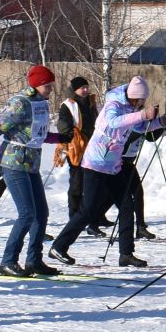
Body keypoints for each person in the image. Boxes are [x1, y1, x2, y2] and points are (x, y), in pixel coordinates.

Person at [47, 76, 166, 268]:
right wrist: (143, 115)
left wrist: (161, 121)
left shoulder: (130, 109)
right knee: (88, 210)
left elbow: (138, 126)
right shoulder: (113, 105)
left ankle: (126, 254)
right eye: (142, 99)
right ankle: (59, 246)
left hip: (113, 165)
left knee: (126, 206)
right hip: (96, 163)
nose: (143, 103)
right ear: (135, 97)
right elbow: (114, 122)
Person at [0, 65, 59, 277]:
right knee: (27, 213)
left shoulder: (42, 103)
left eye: (51, 85)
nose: (51, 89)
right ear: (36, 84)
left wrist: (60, 137)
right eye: (48, 85)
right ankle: (8, 261)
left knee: (41, 214)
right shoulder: (20, 103)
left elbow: (38, 133)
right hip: (13, 162)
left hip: (32, 164)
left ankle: (34, 261)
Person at [51, 76, 97, 229]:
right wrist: (69, 133)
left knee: (93, 183)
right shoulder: (68, 105)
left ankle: (95, 216)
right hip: (76, 146)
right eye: (82, 87)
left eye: (86, 87)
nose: (85, 90)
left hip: (92, 146)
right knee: (77, 182)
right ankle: (74, 216)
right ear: (75, 89)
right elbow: (63, 123)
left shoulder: (91, 102)